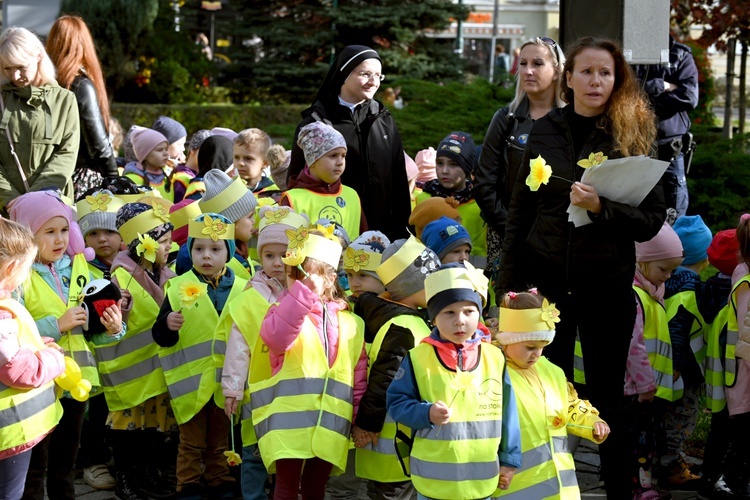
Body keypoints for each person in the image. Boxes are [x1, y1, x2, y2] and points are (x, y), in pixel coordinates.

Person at [497, 36, 664, 498]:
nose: (595, 81)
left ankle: (620, 490)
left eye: (605, 73)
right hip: (546, 287)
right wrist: (506, 291)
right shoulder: (545, 129)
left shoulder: (633, 132)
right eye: (586, 71)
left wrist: (602, 207)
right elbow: (520, 211)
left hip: (605, 288)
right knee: (540, 398)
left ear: (617, 80)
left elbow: (651, 221)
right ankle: (543, 489)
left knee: (610, 401)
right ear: (567, 78)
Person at [8, 191, 125, 500]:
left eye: (64, 230)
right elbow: (13, 331)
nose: (59, 239)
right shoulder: (19, 276)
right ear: (27, 235)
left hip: (76, 381)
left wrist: (113, 328)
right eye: (49, 232)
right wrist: (56, 325)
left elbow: (91, 330)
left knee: (66, 458)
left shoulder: (80, 269)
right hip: (37, 385)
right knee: (35, 462)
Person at [250, 226, 367, 499]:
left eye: (304, 275)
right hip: (289, 424)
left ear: (330, 279)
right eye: (293, 275)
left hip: (330, 422)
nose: (296, 281)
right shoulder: (281, 310)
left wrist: (357, 417)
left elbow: (358, 374)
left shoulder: (352, 323)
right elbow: (277, 339)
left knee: (316, 488)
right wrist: (302, 297)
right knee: (287, 487)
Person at [386, 262, 521, 499]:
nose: (459, 320)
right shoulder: (417, 358)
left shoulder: (495, 357)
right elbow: (397, 404)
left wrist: (509, 459)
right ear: (433, 317)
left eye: (468, 311)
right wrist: (426, 413)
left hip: (481, 479)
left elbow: (508, 412)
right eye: (449, 312)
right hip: (433, 482)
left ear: (480, 313)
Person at [153, 213, 247, 499]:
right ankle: (188, 485)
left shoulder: (244, 289)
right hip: (191, 383)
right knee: (191, 442)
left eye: (216, 249)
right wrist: (167, 324)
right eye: (198, 249)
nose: (206, 256)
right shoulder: (177, 287)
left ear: (229, 252)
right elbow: (160, 335)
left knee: (221, 439)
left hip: (225, 383)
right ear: (189, 251)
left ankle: (220, 481)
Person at [220, 206, 308, 500]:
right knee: (254, 454)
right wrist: (232, 388)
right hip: (257, 391)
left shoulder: (309, 295)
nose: (277, 263)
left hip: (295, 392)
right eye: (269, 255)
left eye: (285, 255)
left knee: (288, 452)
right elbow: (238, 347)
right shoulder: (251, 296)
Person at [288, 45, 410, 241]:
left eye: (378, 76)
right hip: (332, 236)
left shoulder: (384, 120)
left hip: (383, 235)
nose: (373, 82)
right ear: (344, 74)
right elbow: (296, 180)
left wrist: (402, 233)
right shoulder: (317, 122)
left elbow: (399, 182)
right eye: (366, 74)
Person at [495, 290, 610, 498]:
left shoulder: (552, 371)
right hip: (517, 486)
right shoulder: (494, 373)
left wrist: (592, 421)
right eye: (530, 346)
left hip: (561, 485)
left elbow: (570, 404)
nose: (536, 354)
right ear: (507, 339)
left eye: (542, 347)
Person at [350, 236, 439, 498]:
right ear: (411, 285)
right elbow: (384, 380)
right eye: (430, 280)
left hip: (394, 447)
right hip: (393, 446)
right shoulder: (404, 327)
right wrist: (367, 425)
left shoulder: (401, 320)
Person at [475, 36, 565, 289]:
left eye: (537, 63)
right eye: (523, 63)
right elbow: (484, 183)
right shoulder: (506, 119)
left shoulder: (570, 122)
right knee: (510, 316)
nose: (527, 71)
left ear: (557, 71)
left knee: (551, 314)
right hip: (507, 237)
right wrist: (513, 229)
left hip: (556, 240)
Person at [104, 202, 177, 499]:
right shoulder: (124, 276)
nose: (169, 246)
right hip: (129, 373)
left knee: (149, 428)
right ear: (142, 244)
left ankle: (147, 475)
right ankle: (126, 479)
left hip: (152, 370)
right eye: (162, 242)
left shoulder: (162, 272)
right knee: (128, 432)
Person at [0, 218, 65, 500]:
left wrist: (36, 344)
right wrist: (52, 359)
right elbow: (16, 369)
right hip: (10, 433)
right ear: (12, 269)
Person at [625, 223, 684, 499]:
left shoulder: (651, 293)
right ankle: (639, 489)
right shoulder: (636, 296)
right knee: (639, 442)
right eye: (663, 269)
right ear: (641, 261)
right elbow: (633, 345)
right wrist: (646, 383)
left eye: (672, 270)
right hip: (636, 389)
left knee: (645, 440)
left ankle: (641, 485)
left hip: (648, 389)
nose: (668, 276)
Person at [75, 189, 126, 490]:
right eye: (93, 233)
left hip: (124, 359)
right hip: (92, 357)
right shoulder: (83, 270)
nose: (103, 239)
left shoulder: (131, 266)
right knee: (94, 410)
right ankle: (90, 460)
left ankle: (106, 453)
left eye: (110, 231)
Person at [0, 27, 80, 211]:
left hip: (52, 206)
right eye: (8, 68)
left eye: (21, 67)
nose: (15, 76)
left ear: (38, 56)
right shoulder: (1, 99)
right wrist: (10, 199)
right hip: (6, 210)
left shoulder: (64, 100)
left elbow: (67, 154)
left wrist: (36, 199)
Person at [662, 215, 712, 488]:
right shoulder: (691, 289)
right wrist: (681, 367)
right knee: (682, 418)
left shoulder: (667, 281)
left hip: (666, 366)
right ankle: (672, 466)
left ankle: (669, 460)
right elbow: (679, 332)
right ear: (704, 258)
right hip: (684, 370)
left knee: (666, 417)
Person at [46, 15, 118, 200]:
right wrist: (114, 177)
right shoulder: (80, 86)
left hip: (51, 178)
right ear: (84, 44)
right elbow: (98, 144)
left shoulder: (46, 86)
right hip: (84, 181)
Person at [633, 36, 699, 219]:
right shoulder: (627, 53)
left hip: (670, 149)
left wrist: (647, 103)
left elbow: (689, 96)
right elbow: (623, 92)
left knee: (675, 214)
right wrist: (662, 86)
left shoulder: (679, 55)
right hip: (635, 147)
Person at [283, 121, 366, 241]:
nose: (340, 162)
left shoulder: (352, 195)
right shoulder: (292, 199)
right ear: (313, 160)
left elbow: (364, 239)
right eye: (333, 155)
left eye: (343, 155)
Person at [415, 131, 486, 268]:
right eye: (439, 163)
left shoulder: (480, 203)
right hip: (428, 278)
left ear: (467, 167)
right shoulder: (423, 199)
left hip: (474, 279)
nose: (444, 170)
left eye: (453, 164)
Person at [720, 215, 750, 496]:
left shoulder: (743, 271)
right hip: (745, 377)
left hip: (741, 374)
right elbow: (748, 337)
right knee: (744, 438)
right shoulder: (747, 284)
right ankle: (728, 481)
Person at [198, 169, 259, 280]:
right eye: (250, 217)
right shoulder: (221, 263)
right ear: (230, 222)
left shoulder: (240, 248)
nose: (254, 221)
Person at [123, 127, 173, 201]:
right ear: (144, 154)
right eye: (159, 150)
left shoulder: (166, 178)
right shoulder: (132, 180)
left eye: (166, 149)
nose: (166, 153)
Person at [343, 230, 390, 300]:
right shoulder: (345, 306)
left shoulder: (397, 307)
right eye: (350, 275)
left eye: (362, 275)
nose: (354, 284)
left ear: (383, 278)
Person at [170, 129, 211, 203]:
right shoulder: (183, 177)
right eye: (203, 151)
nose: (207, 155)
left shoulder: (194, 174)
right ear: (192, 149)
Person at [233, 128, 275, 195]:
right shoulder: (226, 189)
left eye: (248, 158)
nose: (240, 163)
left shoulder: (275, 192)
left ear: (265, 163)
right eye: (236, 157)